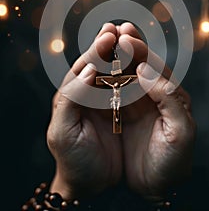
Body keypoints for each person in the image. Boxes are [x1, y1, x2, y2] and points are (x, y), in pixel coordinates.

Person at [22, 22, 196, 211]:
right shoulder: (107, 80)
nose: (116, 81)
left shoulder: (128, 80)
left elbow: (134, 78)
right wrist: (69, 186)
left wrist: (161, 192)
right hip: (114, 103)